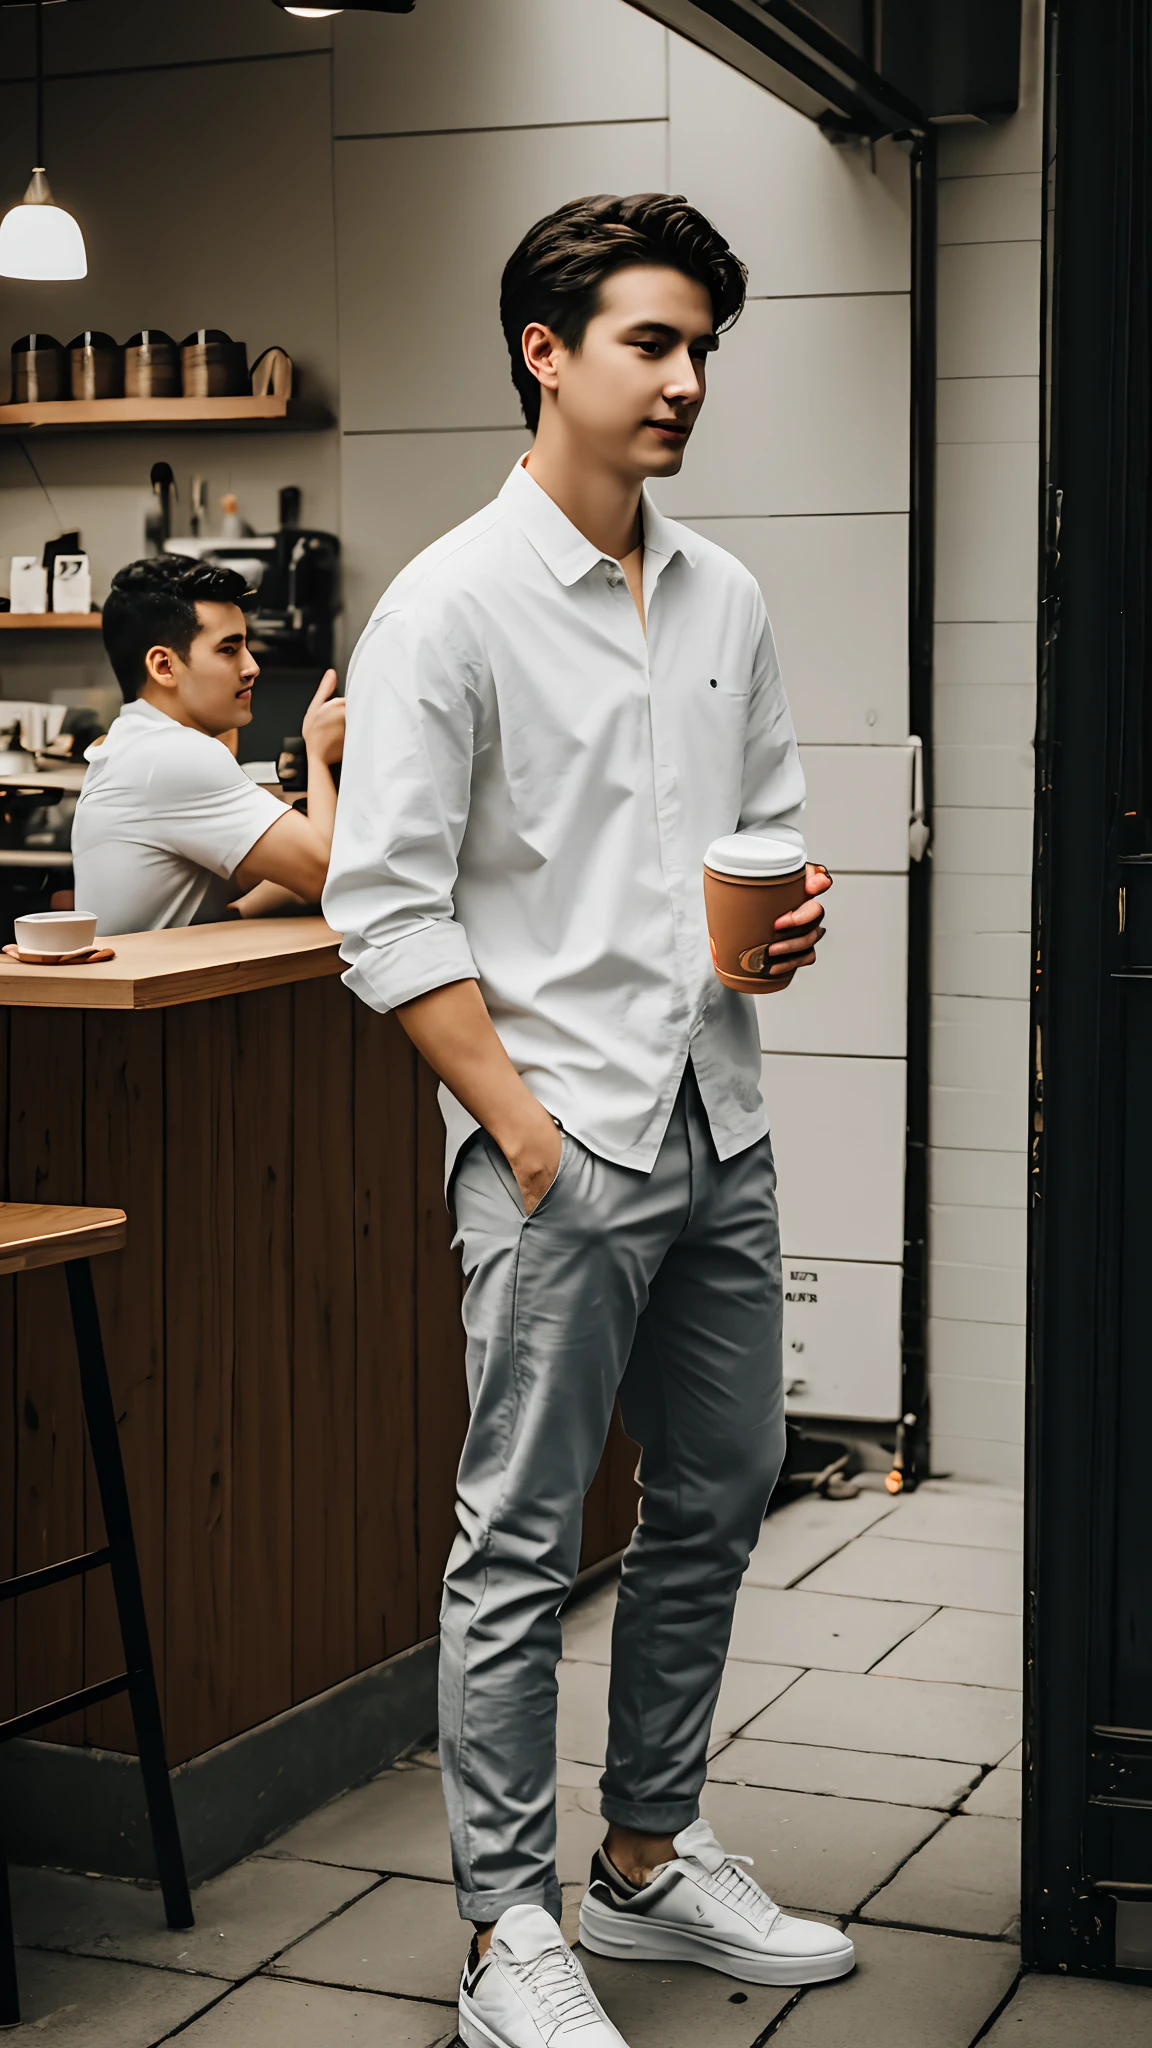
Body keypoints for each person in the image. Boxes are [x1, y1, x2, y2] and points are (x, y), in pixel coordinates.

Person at [324, 191, 852, 2048]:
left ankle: (639, 1856)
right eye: (652, 340)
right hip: (557, 1140)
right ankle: (499, 1933)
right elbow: (382, 909)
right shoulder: (449, 607)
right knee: (521, 1544)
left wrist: (782, 931)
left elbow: (759, 828)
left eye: (703, 345)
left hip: (718, 1117)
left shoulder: (724, 595)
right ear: (542, 351)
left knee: (715, 1497)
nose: (687, 378)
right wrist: (522, 1133)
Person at [71, 554, 344, 934]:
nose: (252, 667)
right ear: (164, 666)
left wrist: (243, 910)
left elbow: (284, 881)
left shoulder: (135, 743)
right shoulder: (173, 755)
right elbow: (331, 874)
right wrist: (318, 751)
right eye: (228, 650)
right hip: (154, 991)